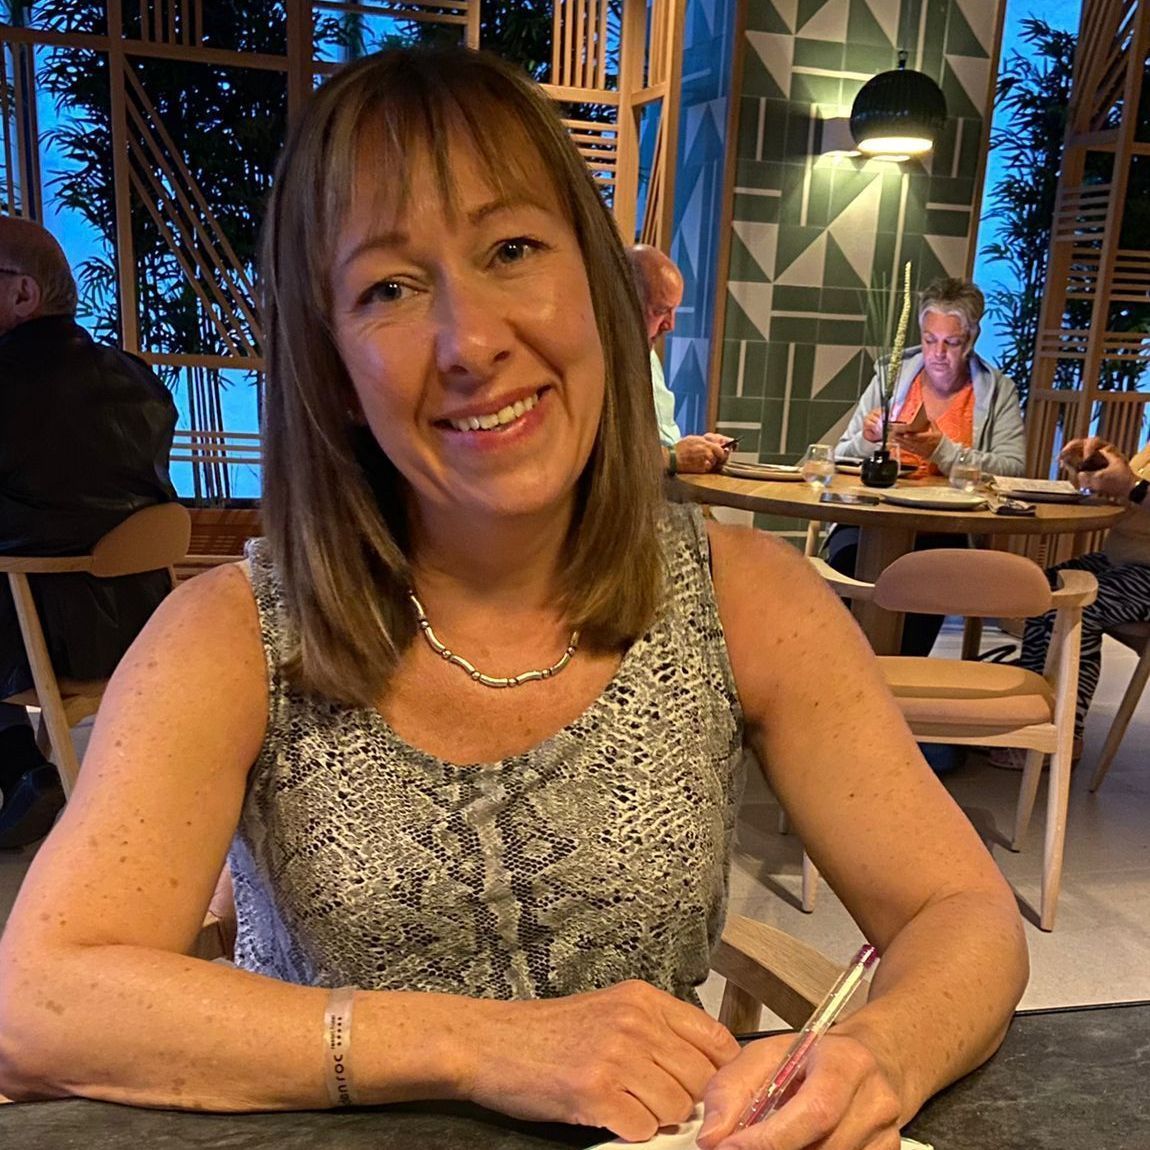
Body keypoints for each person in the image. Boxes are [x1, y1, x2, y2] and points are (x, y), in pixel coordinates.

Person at [0, 48, 1027, 1150]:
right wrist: (477, 1043)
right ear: (332, 365)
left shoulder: (746, 598)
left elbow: (963, 914)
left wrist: (881, 1053)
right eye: (389, 289)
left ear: (600, 290)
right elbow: (37, 1002)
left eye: (512, 250)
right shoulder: (231, 633)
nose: (472, 342)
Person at [0, 216, 177, 849]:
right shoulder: (139, 379)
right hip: (146, 624)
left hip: (43, 637)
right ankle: (22, 772)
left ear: (23, 293)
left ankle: (19, 767)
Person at [830, 277, 1026, 657]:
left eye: (951, 342)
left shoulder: (996, 391)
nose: (937, 353)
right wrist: (867, 441)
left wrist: (944, 452)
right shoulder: (892, 377)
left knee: (926, 577)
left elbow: (1013, 469)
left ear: (971, 339)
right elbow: (840, 456)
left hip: (944, 527)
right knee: (847, 565)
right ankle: (849, 669)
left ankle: (899, 676)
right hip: (870, 520)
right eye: (929, 339)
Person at [1004, 435, 1150, 765]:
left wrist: (1130, 486)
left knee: (1076, 604)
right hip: (1123, 561)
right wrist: (1103, 463)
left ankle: (1065, 734)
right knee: (1039, 588)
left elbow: (1136, 490)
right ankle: (1026, 713)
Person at [626, 244, 732, 475]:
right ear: (625, 301)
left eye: (674, 311)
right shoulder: (593, 361)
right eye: (661, 311)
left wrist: (699, 449)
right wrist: (673, 457)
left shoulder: (648, 355)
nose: (670, 325)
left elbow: (658, 442)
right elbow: (601, 460)